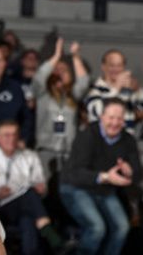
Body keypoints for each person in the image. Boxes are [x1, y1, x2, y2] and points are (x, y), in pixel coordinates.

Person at [59, 98, 142, 255]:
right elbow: (75, 173)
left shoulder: (128, 140)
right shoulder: (87, 135)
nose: (115, 123)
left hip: (104, 190)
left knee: (122, 227)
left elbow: (138, 173)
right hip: (75, 187)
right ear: (102, 117)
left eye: (119, 118)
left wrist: (129, 171)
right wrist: (105, 177)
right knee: (97, 227)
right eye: (111, 117)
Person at [0, 120, 65, 255]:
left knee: (27, 220)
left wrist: (41, 188)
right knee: (29, 197)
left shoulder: (29, 156)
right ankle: (50, 233)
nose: (11, 139)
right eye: (7, 135)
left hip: (24, 206)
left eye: (14, 135)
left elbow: (40, 183)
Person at [32, 37, 90, 180]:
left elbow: (83, 83)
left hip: (68, 152)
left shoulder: (73, 96)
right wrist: (56, 56)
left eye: (64, 70)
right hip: (45, 150)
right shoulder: (42, 94)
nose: (60, 72)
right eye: (56, 69)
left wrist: (76, 57)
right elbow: (39, 77)